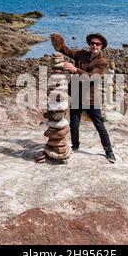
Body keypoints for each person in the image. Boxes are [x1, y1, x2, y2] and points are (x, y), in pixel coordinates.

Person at [50, 32, 116, 163]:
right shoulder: (81, 54)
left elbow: (92, 77)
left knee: (100, 126)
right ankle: (75, 145)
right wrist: (58, 41)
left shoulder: (102, 62)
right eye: (92, 43)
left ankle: (109, 151)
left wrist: (75, 70)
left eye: (98, 44)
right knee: (74, 124)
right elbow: (66, 50)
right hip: (76, 95)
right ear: (89, 44)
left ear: (101, 46)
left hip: (91, 99)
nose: (94, 46)